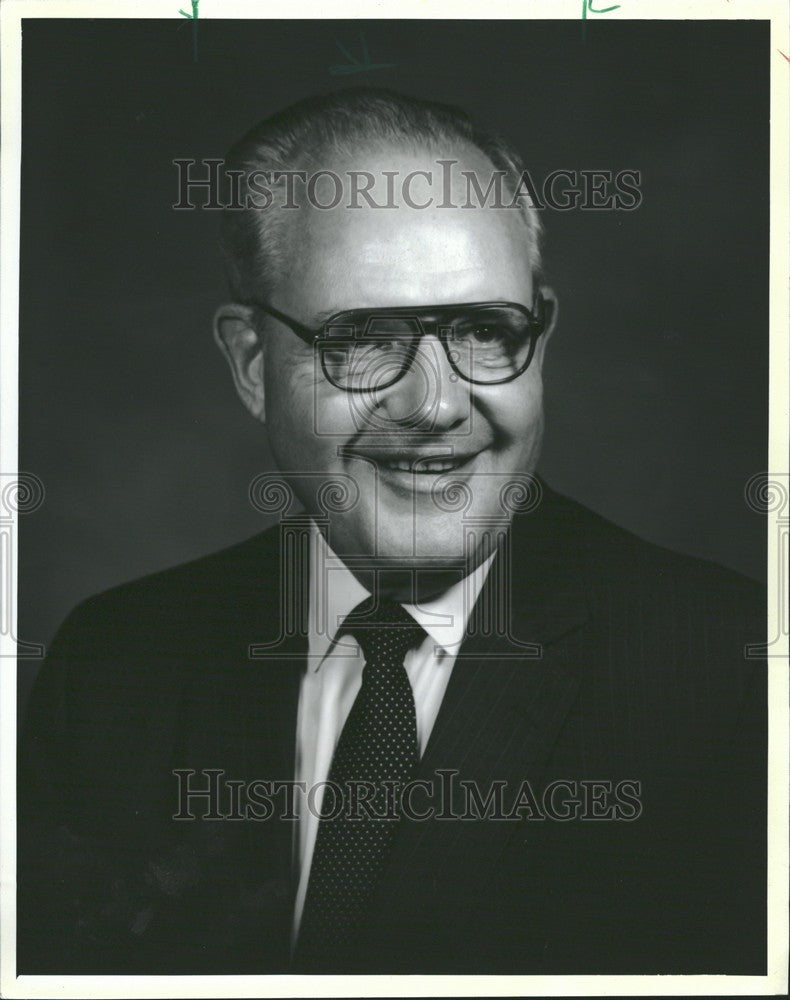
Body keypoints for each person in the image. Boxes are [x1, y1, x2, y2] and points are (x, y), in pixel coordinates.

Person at [18, 87, 766, 975]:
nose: (437, 405)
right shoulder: (115, 667)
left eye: (486, 331)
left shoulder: (734, 678)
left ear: (542, 337)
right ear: (253, 363)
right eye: (364, 338)